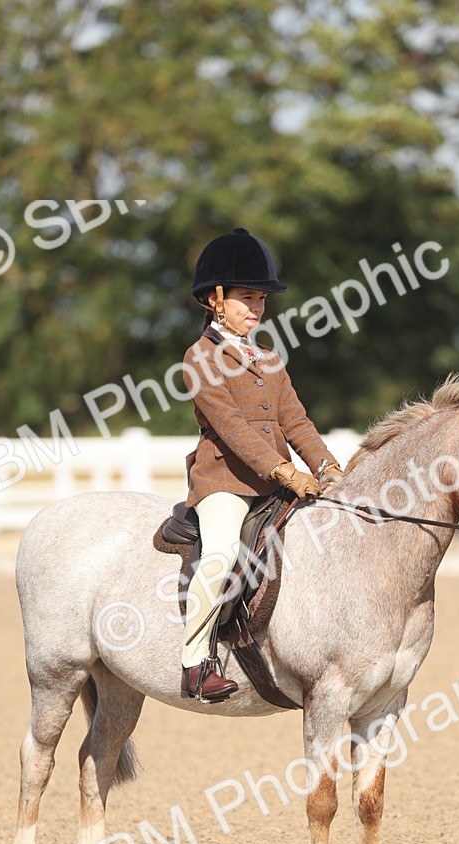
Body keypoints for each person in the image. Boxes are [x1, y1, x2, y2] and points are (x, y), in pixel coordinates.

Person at [180, 226, 344, 703]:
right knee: (221, 556)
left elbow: (296, 421)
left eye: (261, 300)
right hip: (225, 483)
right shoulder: (199, 358)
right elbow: (233, 430)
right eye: (245, 297)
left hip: (276, 484)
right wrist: (286, 472)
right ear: (215, 298)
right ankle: (195, 664)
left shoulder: (270, 359)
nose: (255, 307)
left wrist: (328, 466)